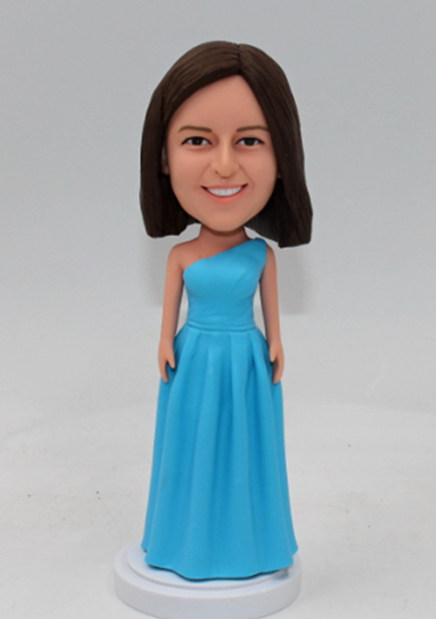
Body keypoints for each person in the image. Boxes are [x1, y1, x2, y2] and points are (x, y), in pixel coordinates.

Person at [139, 41, 312, 580]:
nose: (223, 165)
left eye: (250, 141)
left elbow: (270, 314)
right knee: (189, 446)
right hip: (193, 356)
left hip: (245, 359)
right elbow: (169, 316)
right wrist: (164, 342)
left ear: (282, 157)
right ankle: (183, 540)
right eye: (197, 140)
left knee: (247, 451)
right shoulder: (181, 256)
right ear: (163, 157)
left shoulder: (261, 255)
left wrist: (276, 342)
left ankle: (249, 544)